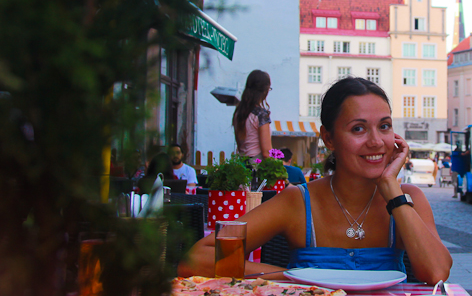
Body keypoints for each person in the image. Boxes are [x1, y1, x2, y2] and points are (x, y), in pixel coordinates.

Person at [179, 76, 452, 284]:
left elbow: (437, 273)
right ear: (329, 138)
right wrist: (296, 279)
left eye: (384, 126)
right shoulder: (298, 201)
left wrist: (393, 192)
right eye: (358, 128)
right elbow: (195, 260)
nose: (376, 141)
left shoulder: (409, 199)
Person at [233, 70, 273, 159]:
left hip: (243, 163)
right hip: (257, 164)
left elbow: (239, 146)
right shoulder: (261, 114)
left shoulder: (239, 113)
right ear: (265, 91)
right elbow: (267, 152)